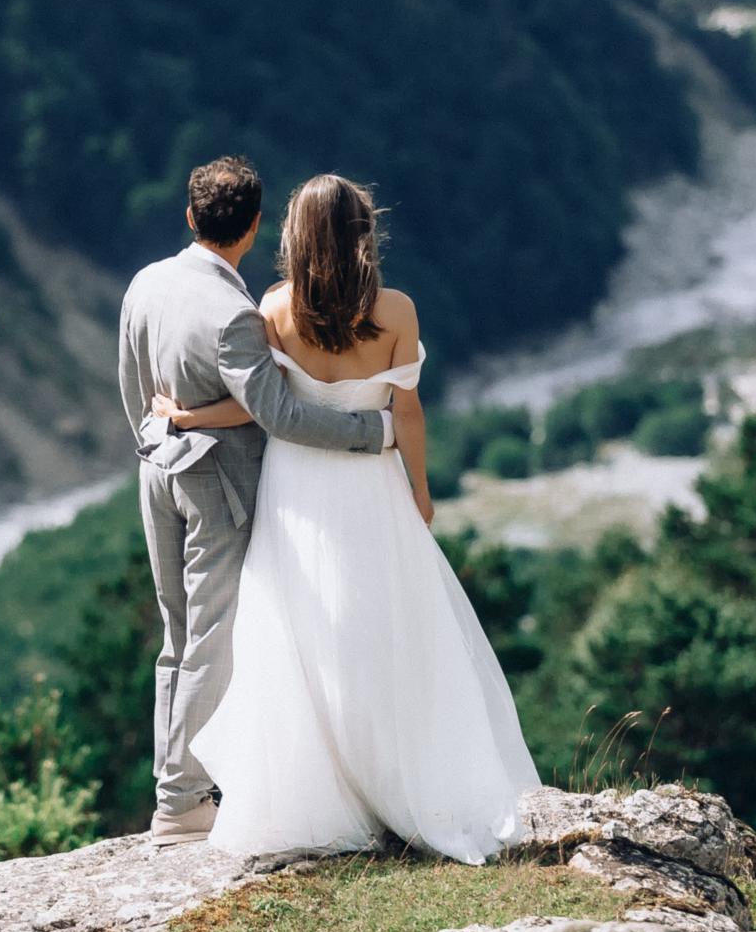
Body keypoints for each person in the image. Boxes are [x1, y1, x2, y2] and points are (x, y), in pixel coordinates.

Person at [160, 172, 540, 864]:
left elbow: (259, 407)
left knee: (304, 636)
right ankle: (400, 781)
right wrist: (420, 491)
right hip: (372, 484)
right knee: (388, 631)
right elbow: (407, 413)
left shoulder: (272, 309)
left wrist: (187, 417)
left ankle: (325, 798)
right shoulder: (396, 311)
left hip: (295, 489)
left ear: (293, 238)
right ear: (364, 233)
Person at [117, 156, 393, 846]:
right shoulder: (235, 314)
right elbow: (280, 414)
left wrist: (160, 440)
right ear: (255, 227)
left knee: (176, 637)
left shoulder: (146, 282)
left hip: (157, 471)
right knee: (211, 638)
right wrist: (373, 430)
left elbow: (129, 382)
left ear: (189, 216)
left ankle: (174, 786)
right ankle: (182, 803)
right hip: (218, 487)